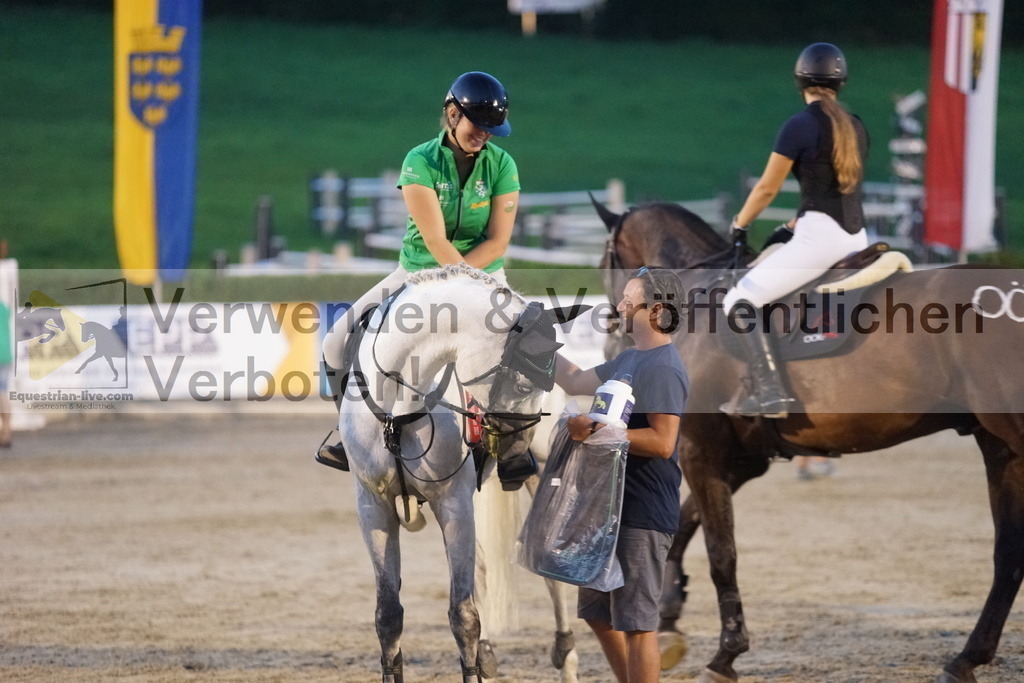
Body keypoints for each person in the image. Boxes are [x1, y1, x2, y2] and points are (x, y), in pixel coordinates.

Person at [317, 71, 530, 482]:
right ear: (452, 114)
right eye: (477, 125)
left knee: (522, 350)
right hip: (418, 272)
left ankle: (513, 448)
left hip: (486, 276)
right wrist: (457, 285)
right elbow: (434, 242)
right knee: (335, 340)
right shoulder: (419, 161)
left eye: (491, 129)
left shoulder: (503, 164)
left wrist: (472, 287)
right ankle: (352, 438)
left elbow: (498, 241)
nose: (484, 135)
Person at [554, 266, 689, 683]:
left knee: (636, 624)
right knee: (596, 612)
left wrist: (593, 430)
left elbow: (663, 441)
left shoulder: (664, 366)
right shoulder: (630, 358)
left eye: (630, 300)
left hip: (643, 510)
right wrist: (533, 342)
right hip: (608, 506)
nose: (620, 305)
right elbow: (575, 380)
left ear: (657, 310)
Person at [722, 42, 869, 418]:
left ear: (800, 79)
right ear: (841, 82)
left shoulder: (800, 125)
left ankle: (771, 392)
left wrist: (740, 224)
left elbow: (767, 188)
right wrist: (791, 225)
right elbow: (832, 191)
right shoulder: (855, 126)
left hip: (820, 240)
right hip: (856, 237)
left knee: (738, 301)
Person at [0, 299, 12, 448]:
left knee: (1, 394)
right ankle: (7, 432)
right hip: (6, 355)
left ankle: (6, 433)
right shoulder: (3, 306)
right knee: (2, 392)